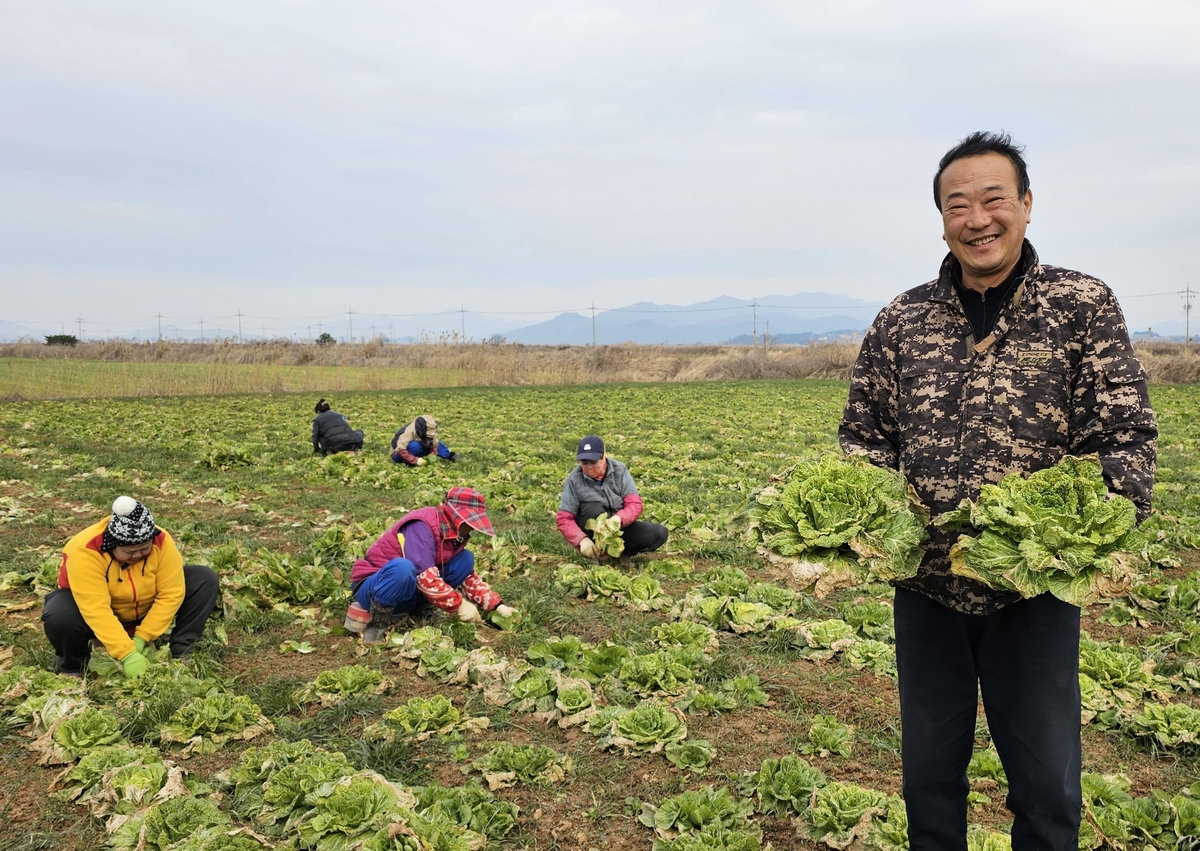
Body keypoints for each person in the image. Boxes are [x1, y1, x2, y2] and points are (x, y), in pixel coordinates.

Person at [838, 131, 1157, 851]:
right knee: (927, 781)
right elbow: (862, 437)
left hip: (1033, 596)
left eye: (993, 200)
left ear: (1026, 205)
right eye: (959, 205)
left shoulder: (1081, 306)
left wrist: (1069, 536)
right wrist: (876, 521)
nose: (977, 219)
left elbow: (1127, 437)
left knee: (1047, 789)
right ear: (942, 219)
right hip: (927, 589)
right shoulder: (901, 319)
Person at [41, 496, 220, 678]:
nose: (137, 555)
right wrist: (127, 654)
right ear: (113, 543)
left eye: (144, 549)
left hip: (143, 609)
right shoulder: (85, 551)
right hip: (98, 615)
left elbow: (171, 594)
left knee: (204, 578)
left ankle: (182, 652)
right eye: (129, 552)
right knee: (59, 611)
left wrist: (142, 637)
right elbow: (96, 609)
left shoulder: (161, 540)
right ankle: (74, 667)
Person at [344, 487, 516, 642]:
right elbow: (425, 578)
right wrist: (459, 605)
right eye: (470, 523)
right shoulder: (421, 526)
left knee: (465, 559)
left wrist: (497, 606)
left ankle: (420, 610)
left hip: (409, 587)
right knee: (403, 569)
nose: (473, 529)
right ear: (456, 517)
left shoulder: (455, 536)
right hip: (374, 585)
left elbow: (468, 578)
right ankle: (377, 626)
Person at [555, 435, 668, 560]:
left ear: (604, 456)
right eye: (584, 463)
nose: (589, 467)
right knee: (594, 509)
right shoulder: (574, 480)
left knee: (659, 533)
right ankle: (594, 551)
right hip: (592, 533)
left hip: (617, 529)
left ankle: (618, 553)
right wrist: (581, 540)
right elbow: (564, 518)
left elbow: (635, 504)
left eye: (593, 462)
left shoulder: (620, 470)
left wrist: (619, 519)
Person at [390, 415, 458, 465]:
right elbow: (400, 449)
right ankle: (409, 463)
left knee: (439, 445)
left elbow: (434, 445)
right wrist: (415, 461)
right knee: (414, 446)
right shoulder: (409, 431)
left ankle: (451, 456)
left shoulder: (432, 430)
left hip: (419, 449)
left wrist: (432, 456)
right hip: (398, 454)